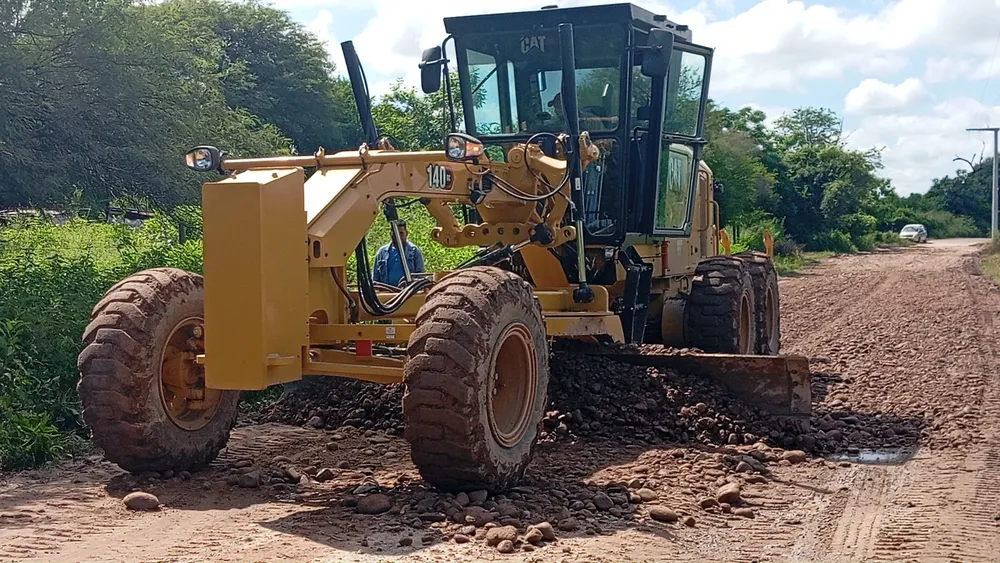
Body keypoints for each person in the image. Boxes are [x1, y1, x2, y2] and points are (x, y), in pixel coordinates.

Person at [373, 220, 425, 286]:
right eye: (395, 233)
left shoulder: (414, 251)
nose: (398, 236)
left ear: (406, 233)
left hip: (408, 292)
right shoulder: (382, 252)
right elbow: (375, 277)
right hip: (386, 292)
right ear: (390, 234)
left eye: (401, 233)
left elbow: (420, 275)